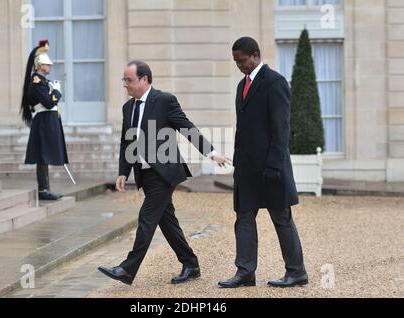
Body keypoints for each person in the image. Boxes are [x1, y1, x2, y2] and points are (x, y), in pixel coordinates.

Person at [98, 60, 229, 285]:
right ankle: (190, 263)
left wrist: (211, 152)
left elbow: (187, 127)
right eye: (124, 80)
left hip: (165, 172)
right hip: (144, 173)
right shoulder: (128, 107)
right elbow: (126, 142)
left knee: (147, 217)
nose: (125, 85)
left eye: (129, 80)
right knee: (166, 221)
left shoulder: (164, 100)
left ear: (145, 79)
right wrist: (123, 172)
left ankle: (127, 269)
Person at [218, 37, 308, 288]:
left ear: (255, 55)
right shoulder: (241, 86)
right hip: (246, 170)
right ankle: (245, 271)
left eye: (242, 60)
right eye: (235, 61)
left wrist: (273, 167)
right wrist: (238, 161)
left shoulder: (275, 82)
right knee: (244, 217)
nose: (239, 65)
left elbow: (281, 129)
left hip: (271, 169)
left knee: (281, 219)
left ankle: (297, 272)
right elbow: (243, 128)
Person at [20, 40, 68, 201]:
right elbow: (48, 102)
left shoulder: (43, 82)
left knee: (45, 156)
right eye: (47, 65)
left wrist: (53, 91)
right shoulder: (37, 82)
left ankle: (45, 188)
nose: (50, 67)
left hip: (48, 120)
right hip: (44, 120)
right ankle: (43, 189)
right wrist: (57, 93)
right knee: (43, 156)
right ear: (40, 65)